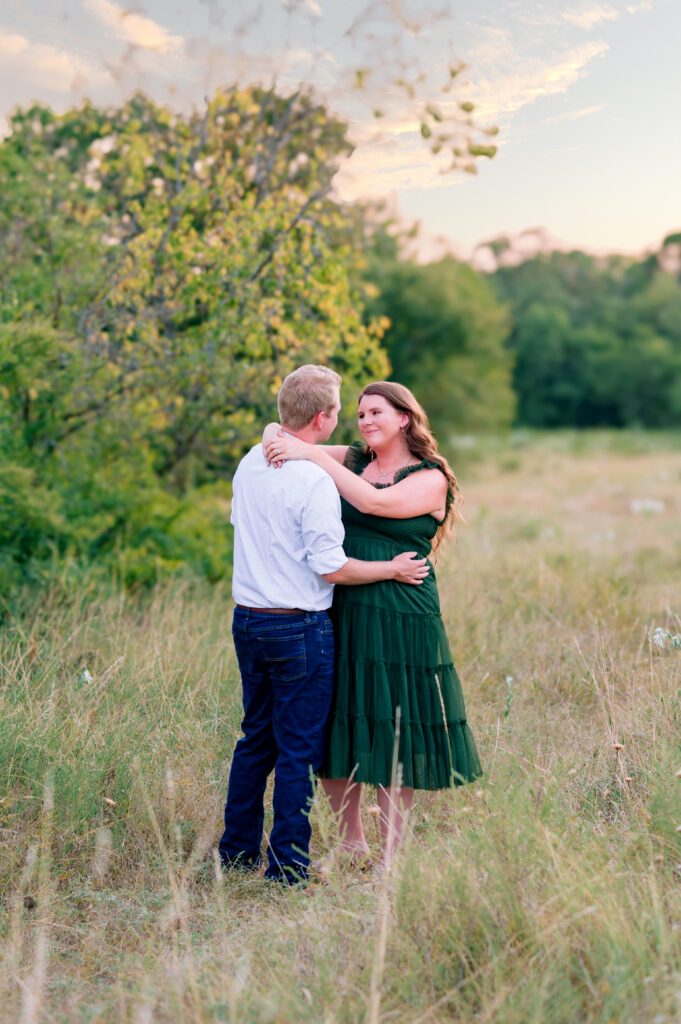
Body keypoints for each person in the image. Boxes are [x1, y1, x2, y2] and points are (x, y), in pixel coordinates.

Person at [219, 366, 430, 885]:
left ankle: (236, 852)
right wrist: (391, 568)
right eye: (345, 411)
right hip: (298, 628)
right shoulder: (314, 479)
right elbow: (331, 567)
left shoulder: (250, 462)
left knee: (254, 741)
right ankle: (288, 867)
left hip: (248, 622)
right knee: (296, 749)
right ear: (324, 417)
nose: (351, 420)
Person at [263, 380, 482, 869]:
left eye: (376, 412)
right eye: (359, 414)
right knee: (338, 721)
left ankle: (391, 856)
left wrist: (310, 456)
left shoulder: (431, 477)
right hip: (343, 604)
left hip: (402, 613)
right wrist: (291, 444)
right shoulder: (356, 459)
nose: (365, 422)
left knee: (392, 725)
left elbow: (374, 504)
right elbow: (279, 431)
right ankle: (350, 841)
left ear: (404, 417)